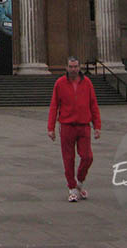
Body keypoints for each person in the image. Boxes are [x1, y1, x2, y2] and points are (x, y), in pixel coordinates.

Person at [47, 56, 101, 203]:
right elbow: (54, 106)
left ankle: (79, 181)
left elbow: (93, 105)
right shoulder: (60, 83)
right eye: (71, 66)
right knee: (68, 158)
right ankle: (72, 189)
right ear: (66, 68)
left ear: (79, 67)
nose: (73, 69)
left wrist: (97, 126)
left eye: (76, 66)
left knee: (87, 157)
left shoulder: (87, 83)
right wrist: (50, 128)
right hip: (67, 126)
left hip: (84, 125)